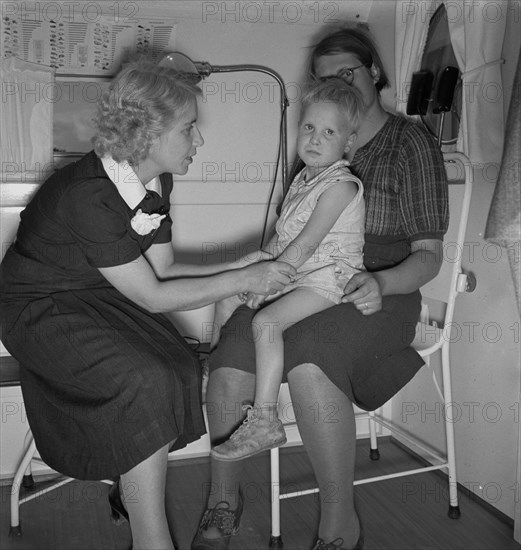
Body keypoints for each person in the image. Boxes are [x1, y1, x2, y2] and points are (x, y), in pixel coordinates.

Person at [0, 58, 295, 550]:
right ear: (147, 134)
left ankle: (130, 487)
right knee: (145, 378)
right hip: (36, 306)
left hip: (93, 293)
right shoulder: (88, 194)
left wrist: (243, 270)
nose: (198, 141)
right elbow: (153, 297)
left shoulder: (154, 183)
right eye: (189, 129)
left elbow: (162, 272)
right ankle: (150, 539)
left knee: (178, 362)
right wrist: (241, 278)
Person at [191, 25, 448, 550]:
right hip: (307, 281)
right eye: (326, 80)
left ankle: (339, 524)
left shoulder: (410, 141)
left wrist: (379, 281)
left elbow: (429, 258)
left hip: (382, 290)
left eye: (348, 74)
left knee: (313, 362)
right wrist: (258, 278)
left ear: (374, 73)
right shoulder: (315, 148)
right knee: (235, 349)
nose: (339, 89)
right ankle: (223, 499)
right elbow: (293, 236)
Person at [210, 78, 366, 462]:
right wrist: (255, 265)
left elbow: (306, 244)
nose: (315, 138)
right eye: (309, 127)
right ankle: (212, 359)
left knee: (267, 322)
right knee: (227, 287)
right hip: (301, 269)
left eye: (329, 132)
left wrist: (270, 279)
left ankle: (265, 420)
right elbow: (284, 238)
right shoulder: (303, 179)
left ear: (347, 143)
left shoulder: (342, 187)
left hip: (329, 277)